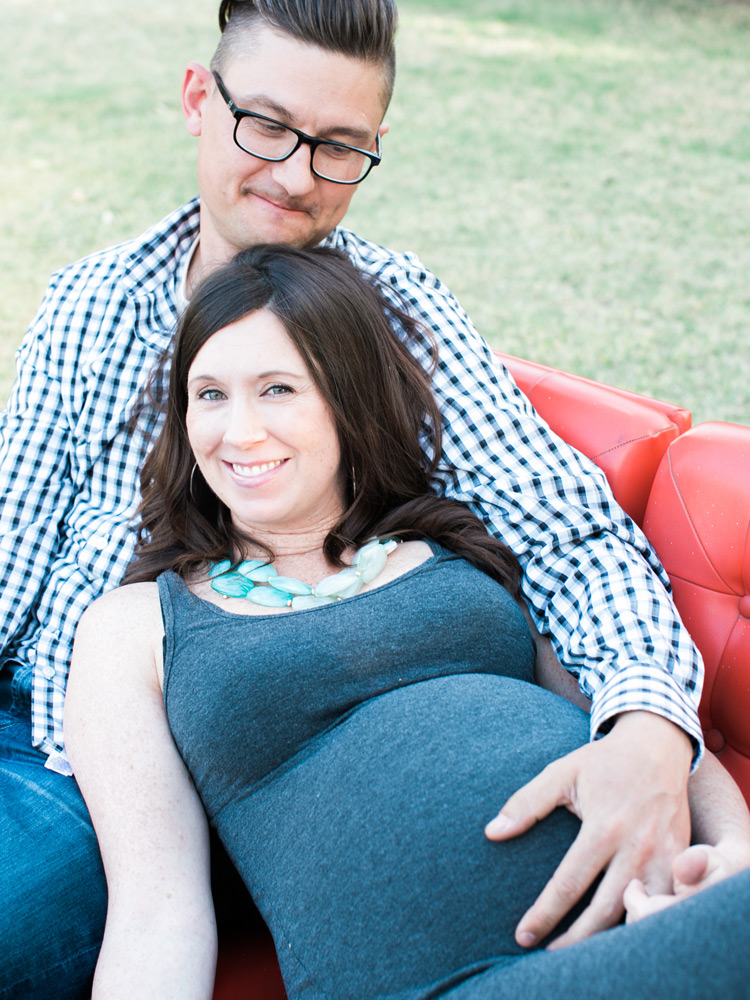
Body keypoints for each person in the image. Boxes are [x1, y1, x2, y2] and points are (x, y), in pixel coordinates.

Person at [0, 1, 742, 995]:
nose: (296, 176)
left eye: (339, 146)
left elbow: (569, 538)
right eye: (267, 125)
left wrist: (650, 728)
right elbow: (8, 552)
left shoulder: (396, 323)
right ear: (198, 100)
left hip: (158, 786)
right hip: (50, 736)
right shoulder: (91, 303)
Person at [65, 243, 750, 1000]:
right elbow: (156, 918)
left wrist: (730, 857)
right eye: (211, 395)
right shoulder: (134, 629)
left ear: (348, 397)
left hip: (658, 926)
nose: (241, 431)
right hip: (457, 980)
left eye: (278, 389)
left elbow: (637, 724)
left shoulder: (461, 546)